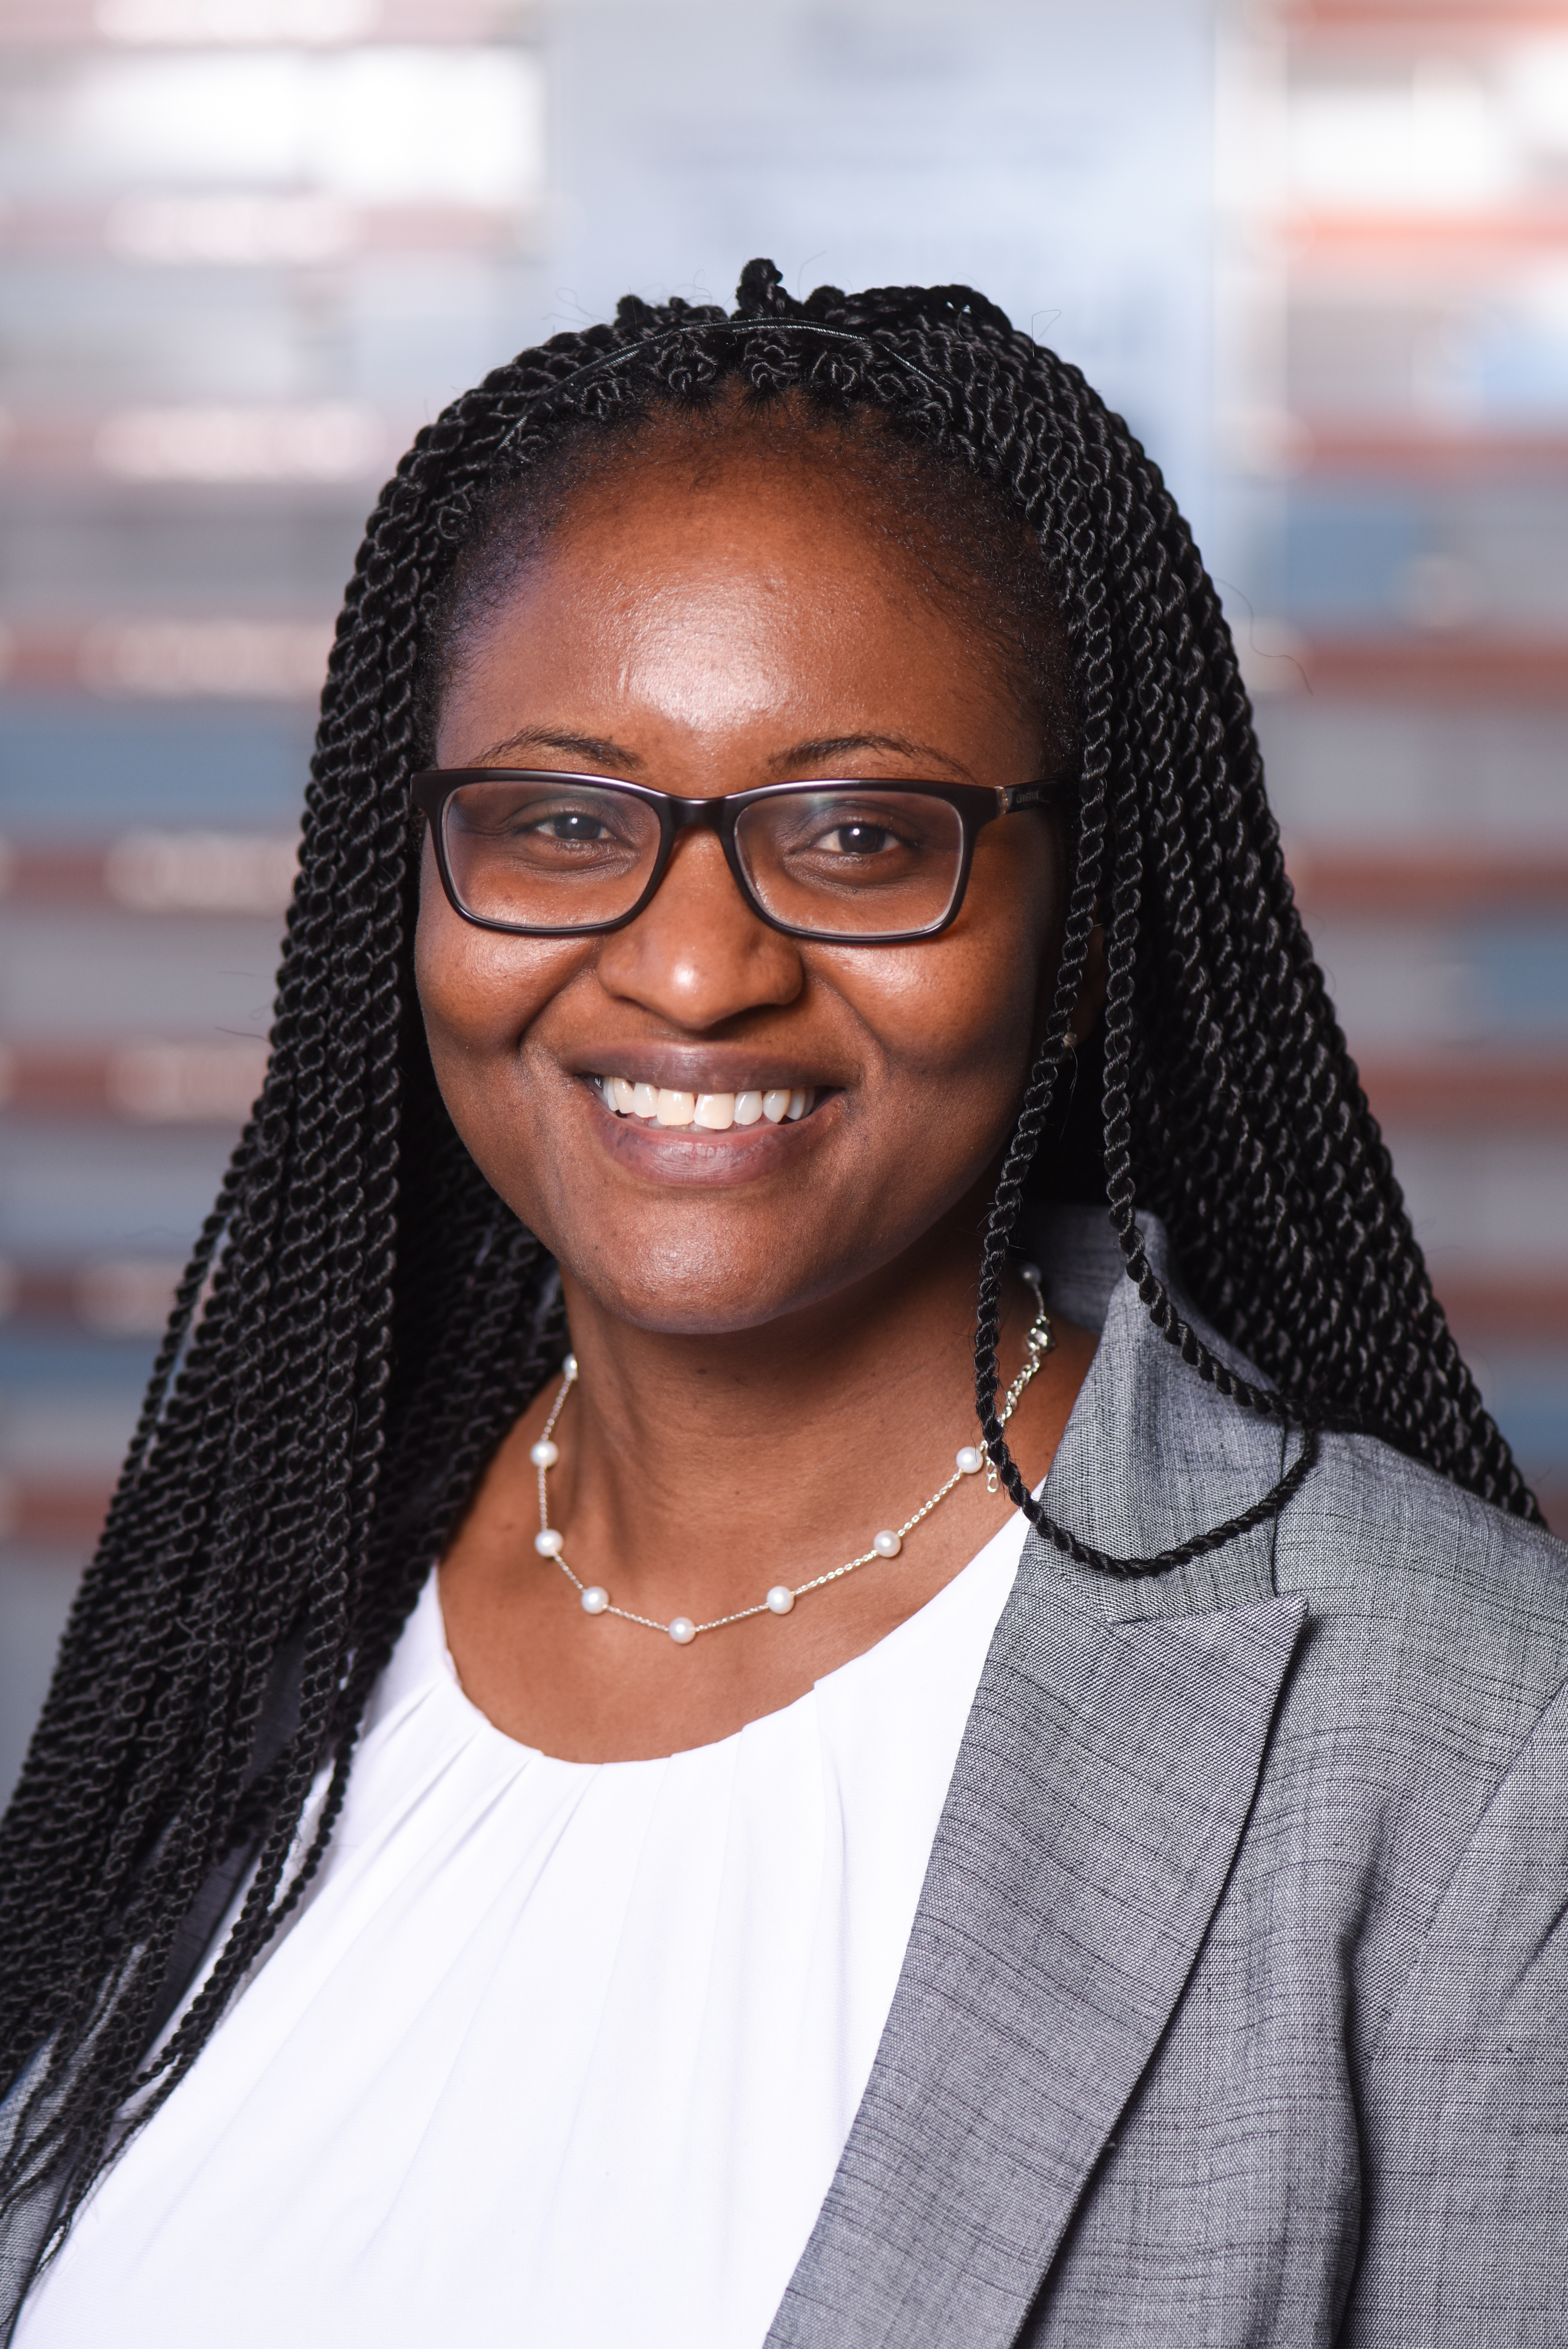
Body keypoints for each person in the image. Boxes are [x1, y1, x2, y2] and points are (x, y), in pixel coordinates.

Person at [0, 262, 1564, 2348]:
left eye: (850, 835)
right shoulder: (254, 1606)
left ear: (1079, 936)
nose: (689, 968)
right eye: (561, 823)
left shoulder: (1471, 1749)